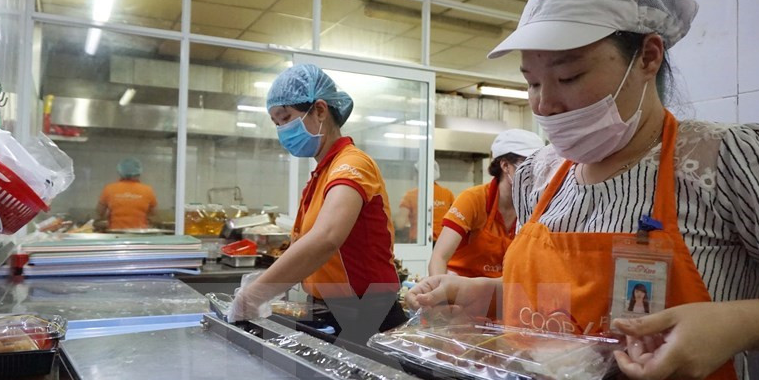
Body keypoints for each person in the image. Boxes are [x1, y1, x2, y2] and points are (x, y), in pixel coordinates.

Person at [407, 0, 759, 380]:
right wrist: (489, 295)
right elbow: (576, 313)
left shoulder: (728, 161)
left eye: (569, 75)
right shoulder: (539, 176)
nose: (546, 105)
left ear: (647, 56)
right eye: (530, 83)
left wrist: (739, 324)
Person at [231, 64, 405, 339]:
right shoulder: (322, 173)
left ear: (320, 110)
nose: (282, 130)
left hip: (368, 315)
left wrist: (254, 295)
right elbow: (304, 246)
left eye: (286, 117)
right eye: (277, 124)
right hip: (333, 312)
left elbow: (326, 238)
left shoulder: (353, 164)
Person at [428, 129, 543, 279]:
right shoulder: (473, 199)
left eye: (539, 165)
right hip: (461, 290)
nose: (534, 172)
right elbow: (439, 258)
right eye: (527, 164)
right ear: (505, 165)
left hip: (503, 292)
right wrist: (440, 297)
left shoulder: (535, 206)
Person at [394, 161, 454, 243]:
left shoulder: (411, 195)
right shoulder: (447, 194)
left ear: (419, 174)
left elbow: (399, 224)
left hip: (419, 242)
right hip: (442, 243)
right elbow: (454, 221)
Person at [96, 158, 157, 230]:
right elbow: (153, 213)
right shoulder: (147, 190)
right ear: (138, 173)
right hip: (139, 234)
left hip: (116, 234)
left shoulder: (109, 189)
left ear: (120, 172)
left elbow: (100, 211)